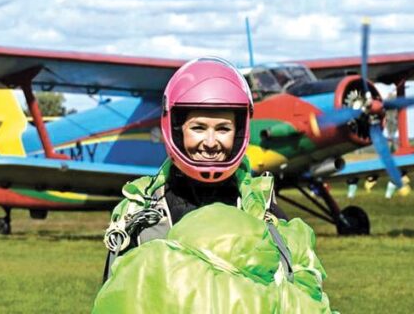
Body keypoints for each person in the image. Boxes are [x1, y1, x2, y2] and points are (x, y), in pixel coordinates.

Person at [94, 58, 334, 313]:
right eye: (198, 128)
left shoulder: (263, 209)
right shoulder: (141, 213)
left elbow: (301, 292)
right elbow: (115, 294)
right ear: (176, 129)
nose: (210, 142)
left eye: (223, 129)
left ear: (239, 131)